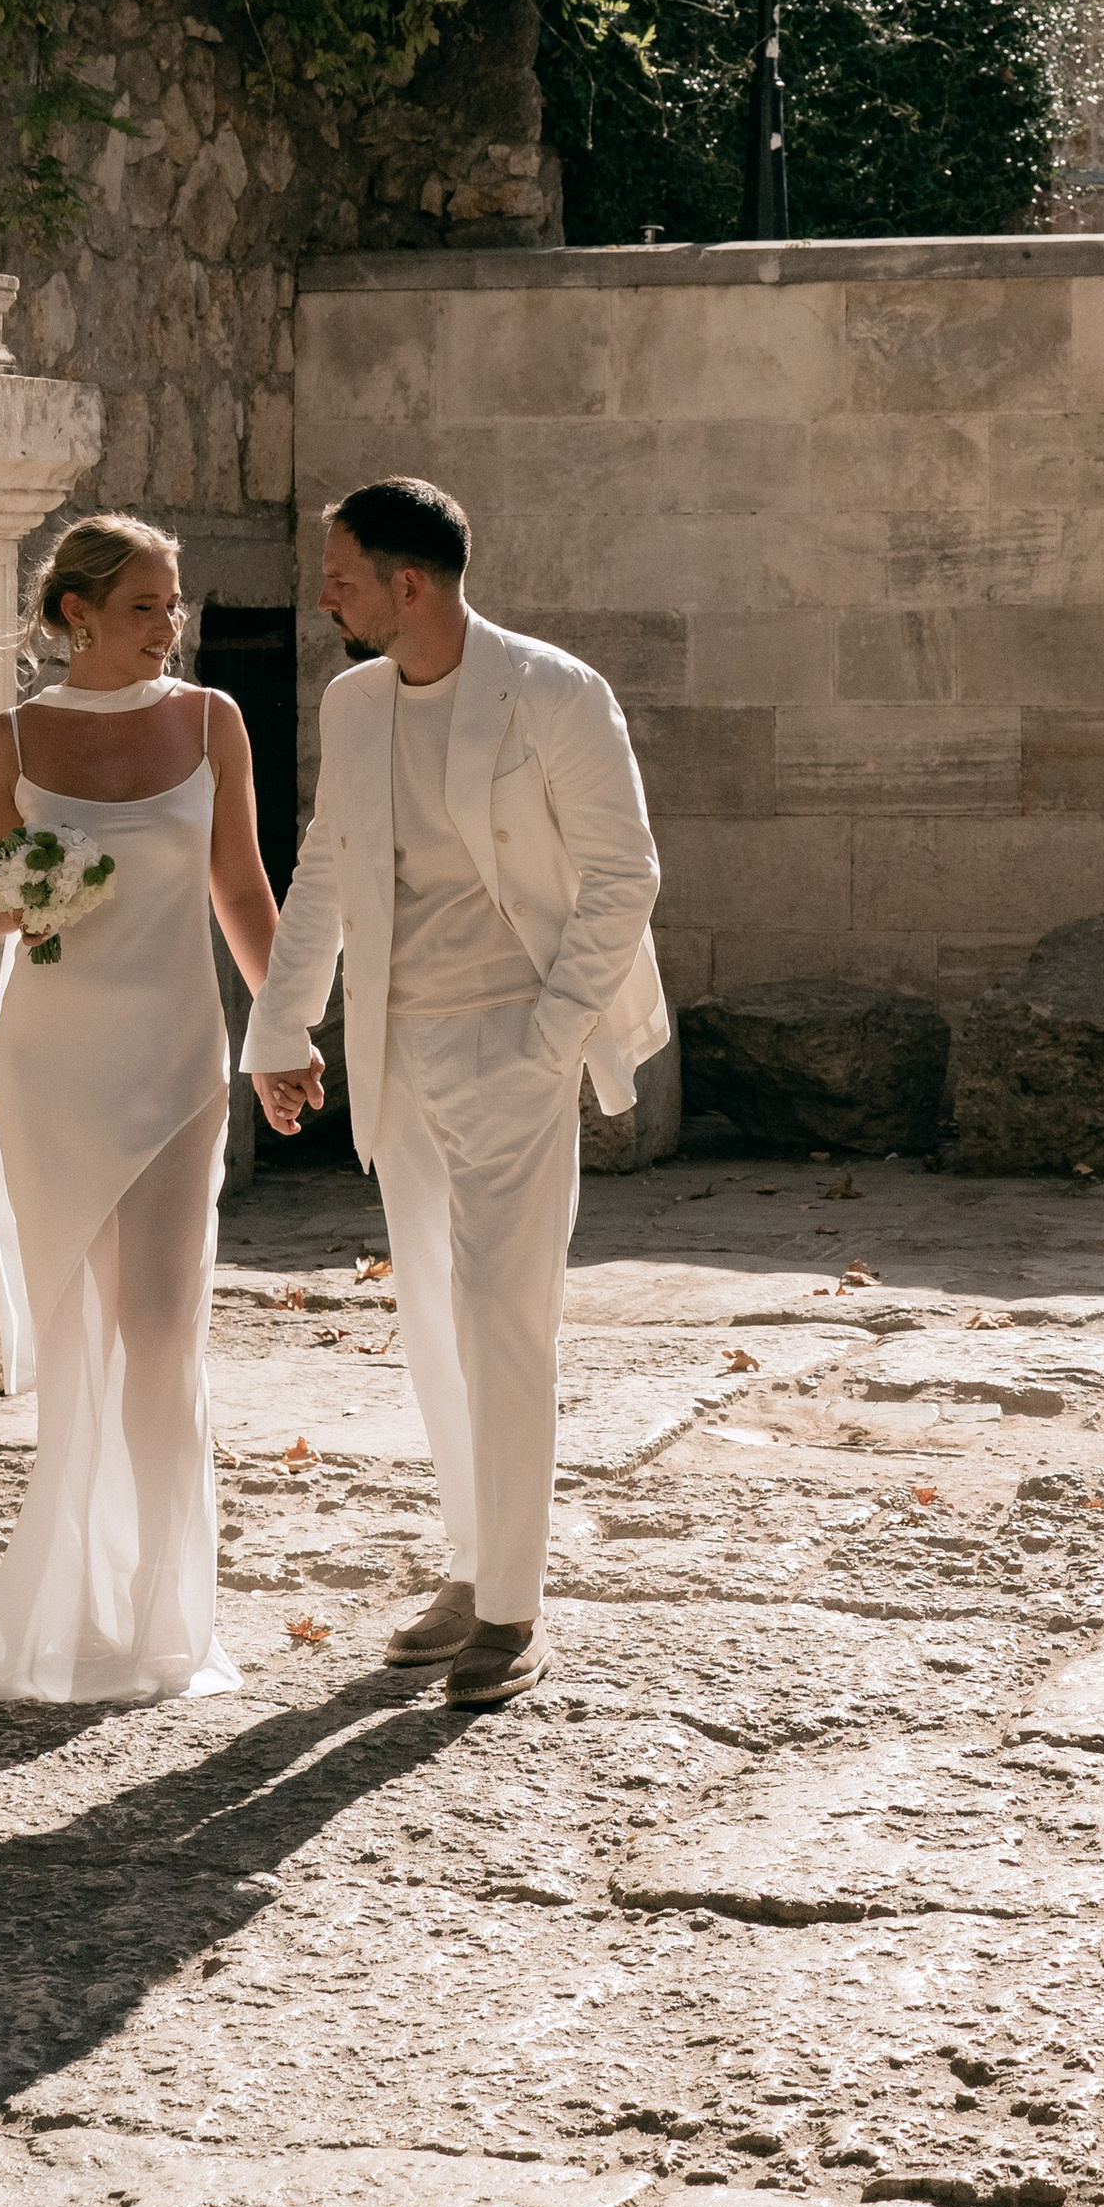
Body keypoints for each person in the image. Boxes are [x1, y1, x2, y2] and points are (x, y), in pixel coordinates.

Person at [242, 478, 666, 1709]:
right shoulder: (354, 701)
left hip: (514, 1044)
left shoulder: (553, 691)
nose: (325, 597)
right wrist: (281, 1027)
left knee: (502, 1316)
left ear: (408, 584)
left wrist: (546, 1041)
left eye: (341, 578)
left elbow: (624, 875)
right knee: (432, 1319)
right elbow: (326, 866)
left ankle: (512, 1611)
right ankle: (474, 1567)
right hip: (396, 1050)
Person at [0, 514, 279, 1704]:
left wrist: (284, 1030)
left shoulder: (211, 720)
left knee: (162, 1328)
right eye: (145, 605)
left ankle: (163, 1618)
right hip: (52, 1067)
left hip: (178, 1059)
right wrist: (28, 892)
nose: (168, 624)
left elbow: (238, 884)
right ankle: (80, 1611)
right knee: (82, 1339)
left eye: (173, 602)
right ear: (76, 613)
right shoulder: (13, 737)